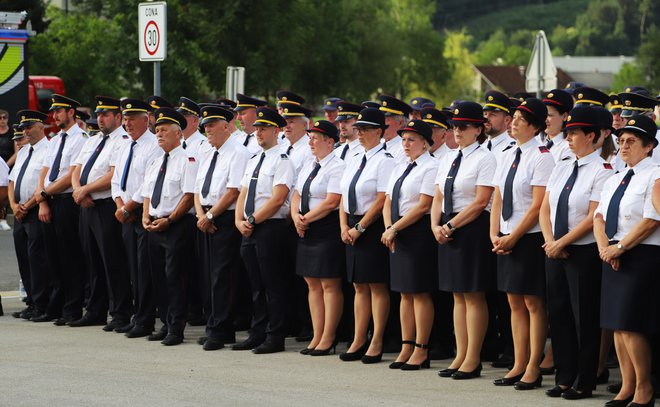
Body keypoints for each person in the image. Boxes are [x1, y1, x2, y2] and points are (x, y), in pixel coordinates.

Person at [539, 107, 613, 400]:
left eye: (574, 133)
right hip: (554, 249)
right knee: (558, 315)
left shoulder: (603, 170)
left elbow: (593, 215)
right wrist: (549, 241)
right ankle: (564, 376)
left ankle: (585, 379)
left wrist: (562, 242)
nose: (568, 137)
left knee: (584, 317)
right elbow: (546, 207)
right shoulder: (562, 165)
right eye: (567, 132)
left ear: (592, 136)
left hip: (581, 252)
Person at [594, 114, 660, 407]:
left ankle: (644, 389)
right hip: (613, 253)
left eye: (631, 141)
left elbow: (652, 219)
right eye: (621, 141)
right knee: (616, 325)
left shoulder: (655, 175)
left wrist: (620, 247)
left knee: (632, 325)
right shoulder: (616, 177)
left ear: (648, 146)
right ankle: (627, 386)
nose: (623, 146)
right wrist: (605, 249)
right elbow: (598, 217)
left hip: (641, 254)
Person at [490, 98, 554, 390]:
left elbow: (537, 205)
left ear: (536, 126)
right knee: (513, 302)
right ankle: (518, 362)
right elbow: (498, 197)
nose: (513, 123)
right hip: (504, 235)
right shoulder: (506, 154)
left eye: (521, 119)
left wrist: (513, 236)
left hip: (528, 238)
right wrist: (494, 234)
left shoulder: (542, 156)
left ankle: (533, 365)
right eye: (513, 117)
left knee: (532, 302)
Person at [432, 102, 496, 379]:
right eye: (455, 126)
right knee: (457, 295)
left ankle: (473, 357)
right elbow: (437, 196)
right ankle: (460, 354)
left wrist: (450, 224)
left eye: (464, 126)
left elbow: (481, 200)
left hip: (470, 227)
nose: (457, 131)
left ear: (478, 129)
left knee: (472, 294)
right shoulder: (448, 157)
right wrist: (435, 225)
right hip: (447, 225)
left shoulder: (484, 158)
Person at [233, 107, 295, 354]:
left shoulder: (283, 160)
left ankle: (275, 335)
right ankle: (257, 332)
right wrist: (239, 221)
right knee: (255, 285)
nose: (258, 132)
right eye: (257, 128)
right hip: (250, 227)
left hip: (270, 227)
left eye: (264, 128)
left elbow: (278, 199)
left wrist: (253, 219)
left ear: (277, 130)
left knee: (273, 284)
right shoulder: (255, 159)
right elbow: (243, 192)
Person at [68, 96, 132, 331]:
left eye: (106, 115)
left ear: (118, 116)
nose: (101, 119)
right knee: (92, 260)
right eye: (99, 115)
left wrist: (85, 190)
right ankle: (95, 310)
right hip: (86, 205)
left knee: (112, 261)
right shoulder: (93, 140)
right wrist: (78, 191)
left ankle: (120, 312)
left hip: (104, 206)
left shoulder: (122, 140)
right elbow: (76, 169)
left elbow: (111, 176)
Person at [338, 107, 394, 364]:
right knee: (359, 285)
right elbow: (343, 196)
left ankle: (377, 339)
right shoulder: (354, 157)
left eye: (367, 129)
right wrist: (343, 226)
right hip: (350, 224)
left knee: (376, 285)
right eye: (359, 129)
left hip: (371, 227)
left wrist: (360, 228)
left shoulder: (386, 159)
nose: (360, 134)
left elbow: (382, 198)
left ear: (380, 132)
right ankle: (359, 338)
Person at [193, 105, 250, 351]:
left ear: (226, 126)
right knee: (209, 275)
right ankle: (214, 325)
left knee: (223, 277)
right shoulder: (208, 151)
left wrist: (211, 214)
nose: (207, 130)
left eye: (211, 125)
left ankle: (222, 328)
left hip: (224, 218)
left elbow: (234, 190)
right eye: (205, 125)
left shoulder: (237, 152)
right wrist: (200, 214)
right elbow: (197, 187)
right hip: (206, 217)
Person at [382, 119, 438, 370]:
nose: (406, 144)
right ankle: (407, 344)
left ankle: (421, 348)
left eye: (412, 139)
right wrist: (388, 228)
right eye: (403, 139)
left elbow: (424, 205)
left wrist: (395, 228)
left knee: (419, 292)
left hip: (417, 232)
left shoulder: (431, 166)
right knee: (404, 292)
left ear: (425, 143)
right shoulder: (400, 165)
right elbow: (387, 200)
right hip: (397, 232)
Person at [141, 107, 197, 346]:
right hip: (154, 223)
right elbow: (146, 193)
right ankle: (164, 322)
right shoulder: (155, 161)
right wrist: (145, 216)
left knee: (175, 278)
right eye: (157, 131)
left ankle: (176, 327)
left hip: (176, 225)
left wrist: (170, 220)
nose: (159, 134)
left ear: (179, 134)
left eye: (164, 130)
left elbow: (188, 196)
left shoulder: (188, 160)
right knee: (158, 278)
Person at [291, 120, 346, 356]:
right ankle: (317, 333)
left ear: (330, 141)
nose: (311, 142)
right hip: (306, 226)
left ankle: (329, 336)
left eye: (316, 138)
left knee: (329, 283)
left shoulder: (337, 166)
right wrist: (296, 217)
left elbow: (332, 201)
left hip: (325, 227)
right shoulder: (310, 164)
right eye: (310, 137)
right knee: (311, 282)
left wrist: (306, 219)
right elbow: (296, 193)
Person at [34, 94, 88, 326]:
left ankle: (72, 308)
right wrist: (42, 199)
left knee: (70, 257)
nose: (55, 116)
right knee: (52, 256)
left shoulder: (81, 139)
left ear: (71, 113)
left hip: (66, 201)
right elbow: (44, 171)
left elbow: (70, 175)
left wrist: (45, 193)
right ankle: (56, 306)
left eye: (59, 111)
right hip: (50, 200)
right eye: (54, 112)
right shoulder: (55, 140)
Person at [111, 98, 162, 338]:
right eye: (125, 118)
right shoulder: (125, 145)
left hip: (142, 215)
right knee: (132, 268)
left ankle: (145, 320)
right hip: (127, 214)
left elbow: (148, 185)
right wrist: (120, 205)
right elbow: (116, 181)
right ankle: (136, 315)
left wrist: (128, 208)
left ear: (146, 119)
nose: (127, 123)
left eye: (132, 118)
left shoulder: (154, 145)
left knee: (144, 271)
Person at [482, 91, 515, 169]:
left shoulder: (512, 149)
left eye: (492, 115)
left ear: (507, 120)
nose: (486, 118)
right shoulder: (482, 146)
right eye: (485, 114)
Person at [541, 90, 574, 162]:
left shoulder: (569, 147)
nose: (545, 120)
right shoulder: (539, 141)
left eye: (549, 115)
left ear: (565, 116)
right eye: (544, 115)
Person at [378, 95, 412, 163]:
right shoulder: (379, 144)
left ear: (400, 123)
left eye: (387, 119)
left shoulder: (404, 149)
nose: (382, 123)